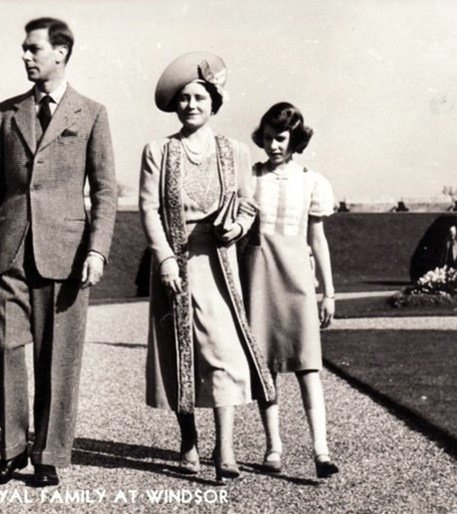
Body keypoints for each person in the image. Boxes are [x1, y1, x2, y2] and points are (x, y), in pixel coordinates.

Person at [0, 17, 116, 487]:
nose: (25, 56)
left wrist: (97, 250)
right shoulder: (7, 112)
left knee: (58, 357)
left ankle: (48, 455)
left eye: (33, 48)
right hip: (9, 251)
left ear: (61, 52)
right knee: (4, 347)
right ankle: (12, 450)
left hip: (67, 254)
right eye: (24, 48)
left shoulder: (91, 113)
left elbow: (105, 191)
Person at [139, 52, 275, 480]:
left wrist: (238, 226)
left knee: (224, 354)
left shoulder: (235, 151)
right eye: (184, 98)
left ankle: (225, 449)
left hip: (220, 266)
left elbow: (248, 202)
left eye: (199, 97)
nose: (191, 105)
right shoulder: (159, 151)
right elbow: (148, 209)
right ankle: (189, 440)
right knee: (181, 354)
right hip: (174, 266)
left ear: (214, 103)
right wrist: (164, 258)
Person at [242, 102, 340, 478]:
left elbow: (318, 240)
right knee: (265, 367)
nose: (273, 146)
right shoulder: (251, 177)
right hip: (259, 277)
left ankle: (321, 451)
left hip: (298, 279)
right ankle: (273, 447)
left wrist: (328, 292)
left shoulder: (312, 182)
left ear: (294, 139)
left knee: (308, 366)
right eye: (268, 138)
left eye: (280, 138)